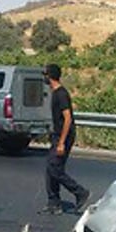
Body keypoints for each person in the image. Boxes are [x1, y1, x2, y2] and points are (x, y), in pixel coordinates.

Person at [40, 63, 89, 215]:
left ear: (50, 76)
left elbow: (67, 118)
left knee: (55, 168)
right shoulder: (55, 93)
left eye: (45, 74)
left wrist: (61, 142)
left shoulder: (61, 94)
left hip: (64, 136)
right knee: (50, 168)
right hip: (58, 135)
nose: (43, 77)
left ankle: (80, 192)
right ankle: (53, 203)